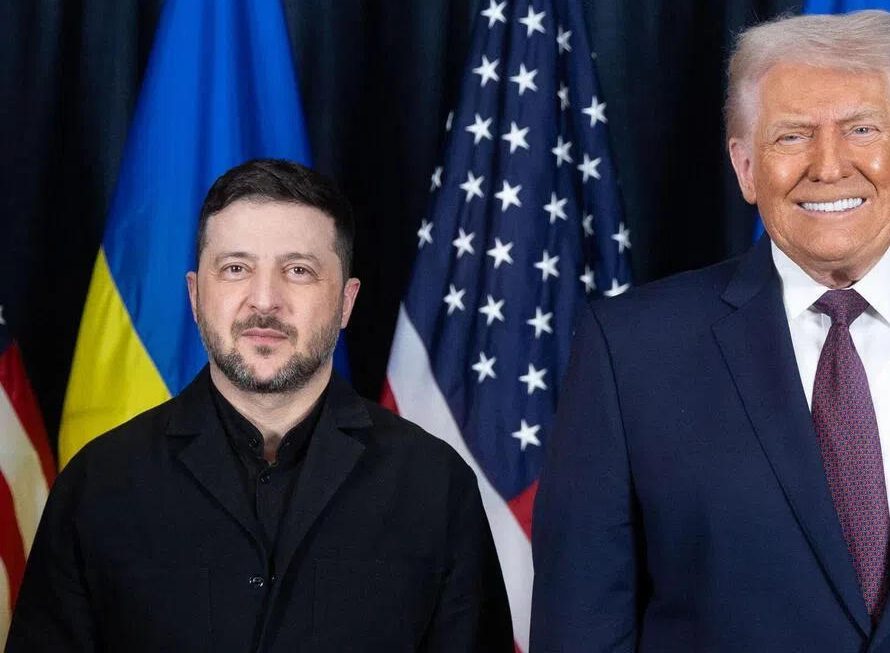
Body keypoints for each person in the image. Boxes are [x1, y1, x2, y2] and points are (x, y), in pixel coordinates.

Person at [530, 10, 890, 651]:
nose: (830, 166)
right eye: (792, 137)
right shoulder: (630, 352)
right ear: (746, 167)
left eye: (862, 129)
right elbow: (580, 627)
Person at [7, 159, 514, 652]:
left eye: (298, 270)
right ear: (195, 296)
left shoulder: (435, 485)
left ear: (346, 302)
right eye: (235, 268)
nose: (264, 300)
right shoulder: (99, 484)